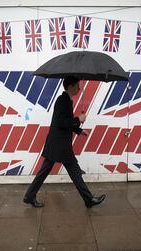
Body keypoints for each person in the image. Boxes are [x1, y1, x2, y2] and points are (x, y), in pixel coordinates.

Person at [23, 76, 106, 208]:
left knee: (47, 171)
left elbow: (65, 122)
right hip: (60, 145)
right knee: (73, 171)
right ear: (70, 86)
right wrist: (78, 119)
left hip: (57, 144)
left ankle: (29, 196)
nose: (79, 88)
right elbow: (62, 123)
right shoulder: (64, 101)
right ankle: (88, 199)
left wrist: (79, 130)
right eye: (77, 85)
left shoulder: (66, 100)